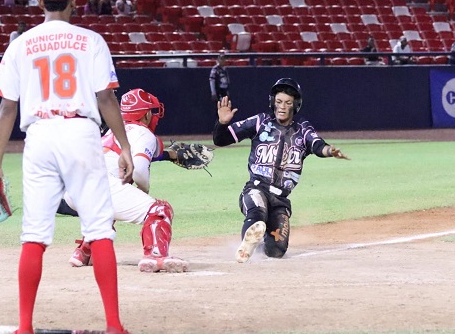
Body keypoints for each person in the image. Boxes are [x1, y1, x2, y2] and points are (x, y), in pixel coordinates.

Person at [0, 0, 133, 334]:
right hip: (81, 131)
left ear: (40, 3)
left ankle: (24, 327)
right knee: (99, 229)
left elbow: (8, 107)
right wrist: (125, 145)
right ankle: (114, 325)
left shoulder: (22, 43)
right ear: (74, 1)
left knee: (34, 235)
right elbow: (105, 98)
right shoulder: (91, 40)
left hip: (38, 136)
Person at [212, 78, 349, 263]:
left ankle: (259, 244)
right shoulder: (260, 122)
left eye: (287, 103)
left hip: (280, 200)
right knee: (257, 215)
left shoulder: (303, 129)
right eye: (278, 102)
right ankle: (247, 244)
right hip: (256, 189)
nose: (282, 106)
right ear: (272, 102)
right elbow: (220, 140)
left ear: (295, 105)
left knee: (277, 250)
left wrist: (330, 151)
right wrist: (222, 123)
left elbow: (318, 145)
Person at [57, 88, 189, 273]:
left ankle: (85, 252)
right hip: (99, 184)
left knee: (107, 209)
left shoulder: (113, 131)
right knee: (160, 210)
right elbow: (140, 169)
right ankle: (156, 255)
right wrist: (143, 190)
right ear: (145, 115)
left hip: (73, 189)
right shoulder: (144, 134)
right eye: (151, 111)